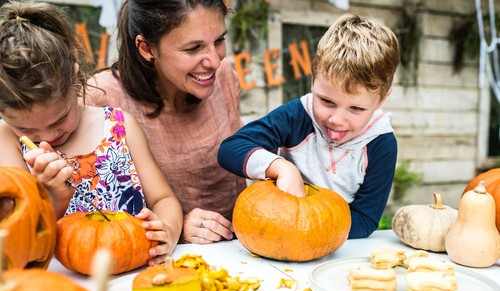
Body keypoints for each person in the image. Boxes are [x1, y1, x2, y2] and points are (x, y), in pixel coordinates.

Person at [0, 0, 183, 264]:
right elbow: (17, 240)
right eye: (25, 129)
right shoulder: (8, 142)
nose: (48, 137)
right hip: (58, 288)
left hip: (133, 274)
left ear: (76, 80)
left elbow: (164, 198)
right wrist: (52, 197)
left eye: (59, 118)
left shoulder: (119, 127)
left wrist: (167, 229)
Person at [218, 13, 400, 239]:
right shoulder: (297, 116)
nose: (337, 119)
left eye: (356, 109)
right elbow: (231, 148)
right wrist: (283, 168)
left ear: (381, 100)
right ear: (313, 80)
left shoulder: (381, 144)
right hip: (277, 231)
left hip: (332, 247)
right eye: (327, 101)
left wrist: (307, 229)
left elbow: (365, 220)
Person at [85, 0, 247, 244]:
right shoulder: (101, 99)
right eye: (193, 48)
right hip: (156, 262)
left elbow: (238, 179)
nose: (214, 61)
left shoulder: (224, 76)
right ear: (147, 49)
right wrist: (174, 228)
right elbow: (90, 218)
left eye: (219, 41)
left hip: (241, 251)